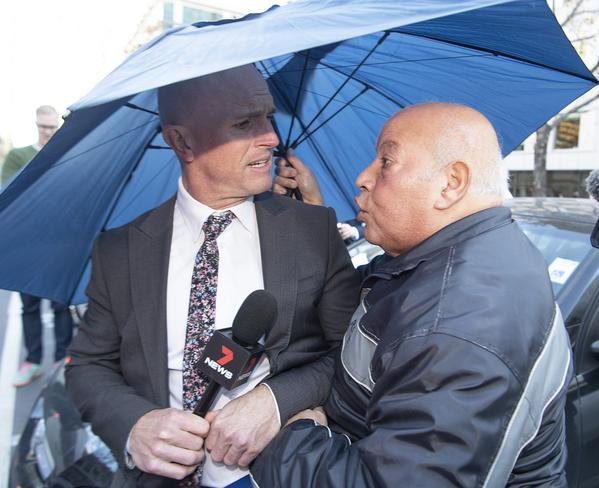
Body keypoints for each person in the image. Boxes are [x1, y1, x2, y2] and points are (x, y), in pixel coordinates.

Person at [65, 64, 359, 488]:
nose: (271, 139)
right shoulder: (120, 250)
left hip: (274, 475)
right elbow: (88, 366)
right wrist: (136, 426)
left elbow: (353, 353)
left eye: (268, 117)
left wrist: (276, 401)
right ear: (182, 141)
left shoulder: (312, 231)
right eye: (244, 123)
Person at [252, 102, 573, 487]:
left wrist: (293, 434)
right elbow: (355, 301)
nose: (363, 177)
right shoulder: (445, 258)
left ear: (451, 183)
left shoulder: (459, 324)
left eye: (386, 161)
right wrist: (312, 219)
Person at [5, 106, 75, 387]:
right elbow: (11, 194)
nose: (47, 131)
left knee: (60, 304)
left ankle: (63, 360)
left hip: (58, 244)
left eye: (51, 126)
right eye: (43, 126)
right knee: (30, 306)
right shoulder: (18, 156)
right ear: (36, 125)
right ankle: (33, 360)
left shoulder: (68, 156)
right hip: (27, 246)